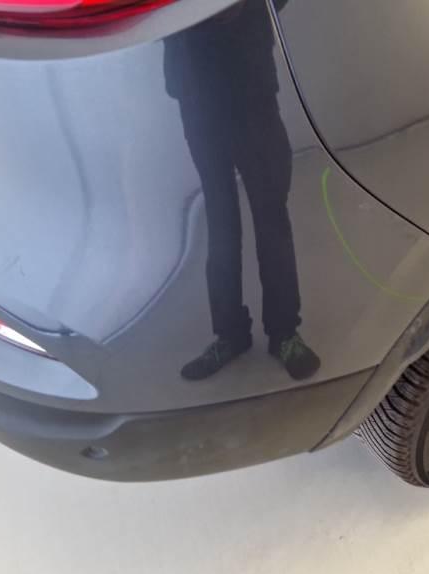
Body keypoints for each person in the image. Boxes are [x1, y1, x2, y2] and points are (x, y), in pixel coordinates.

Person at [164, 0, 320, 381]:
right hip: (194, 87)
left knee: (271, 216)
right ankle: (230, 334)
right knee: (220, 219)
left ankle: (284, 333)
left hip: (250, 84)